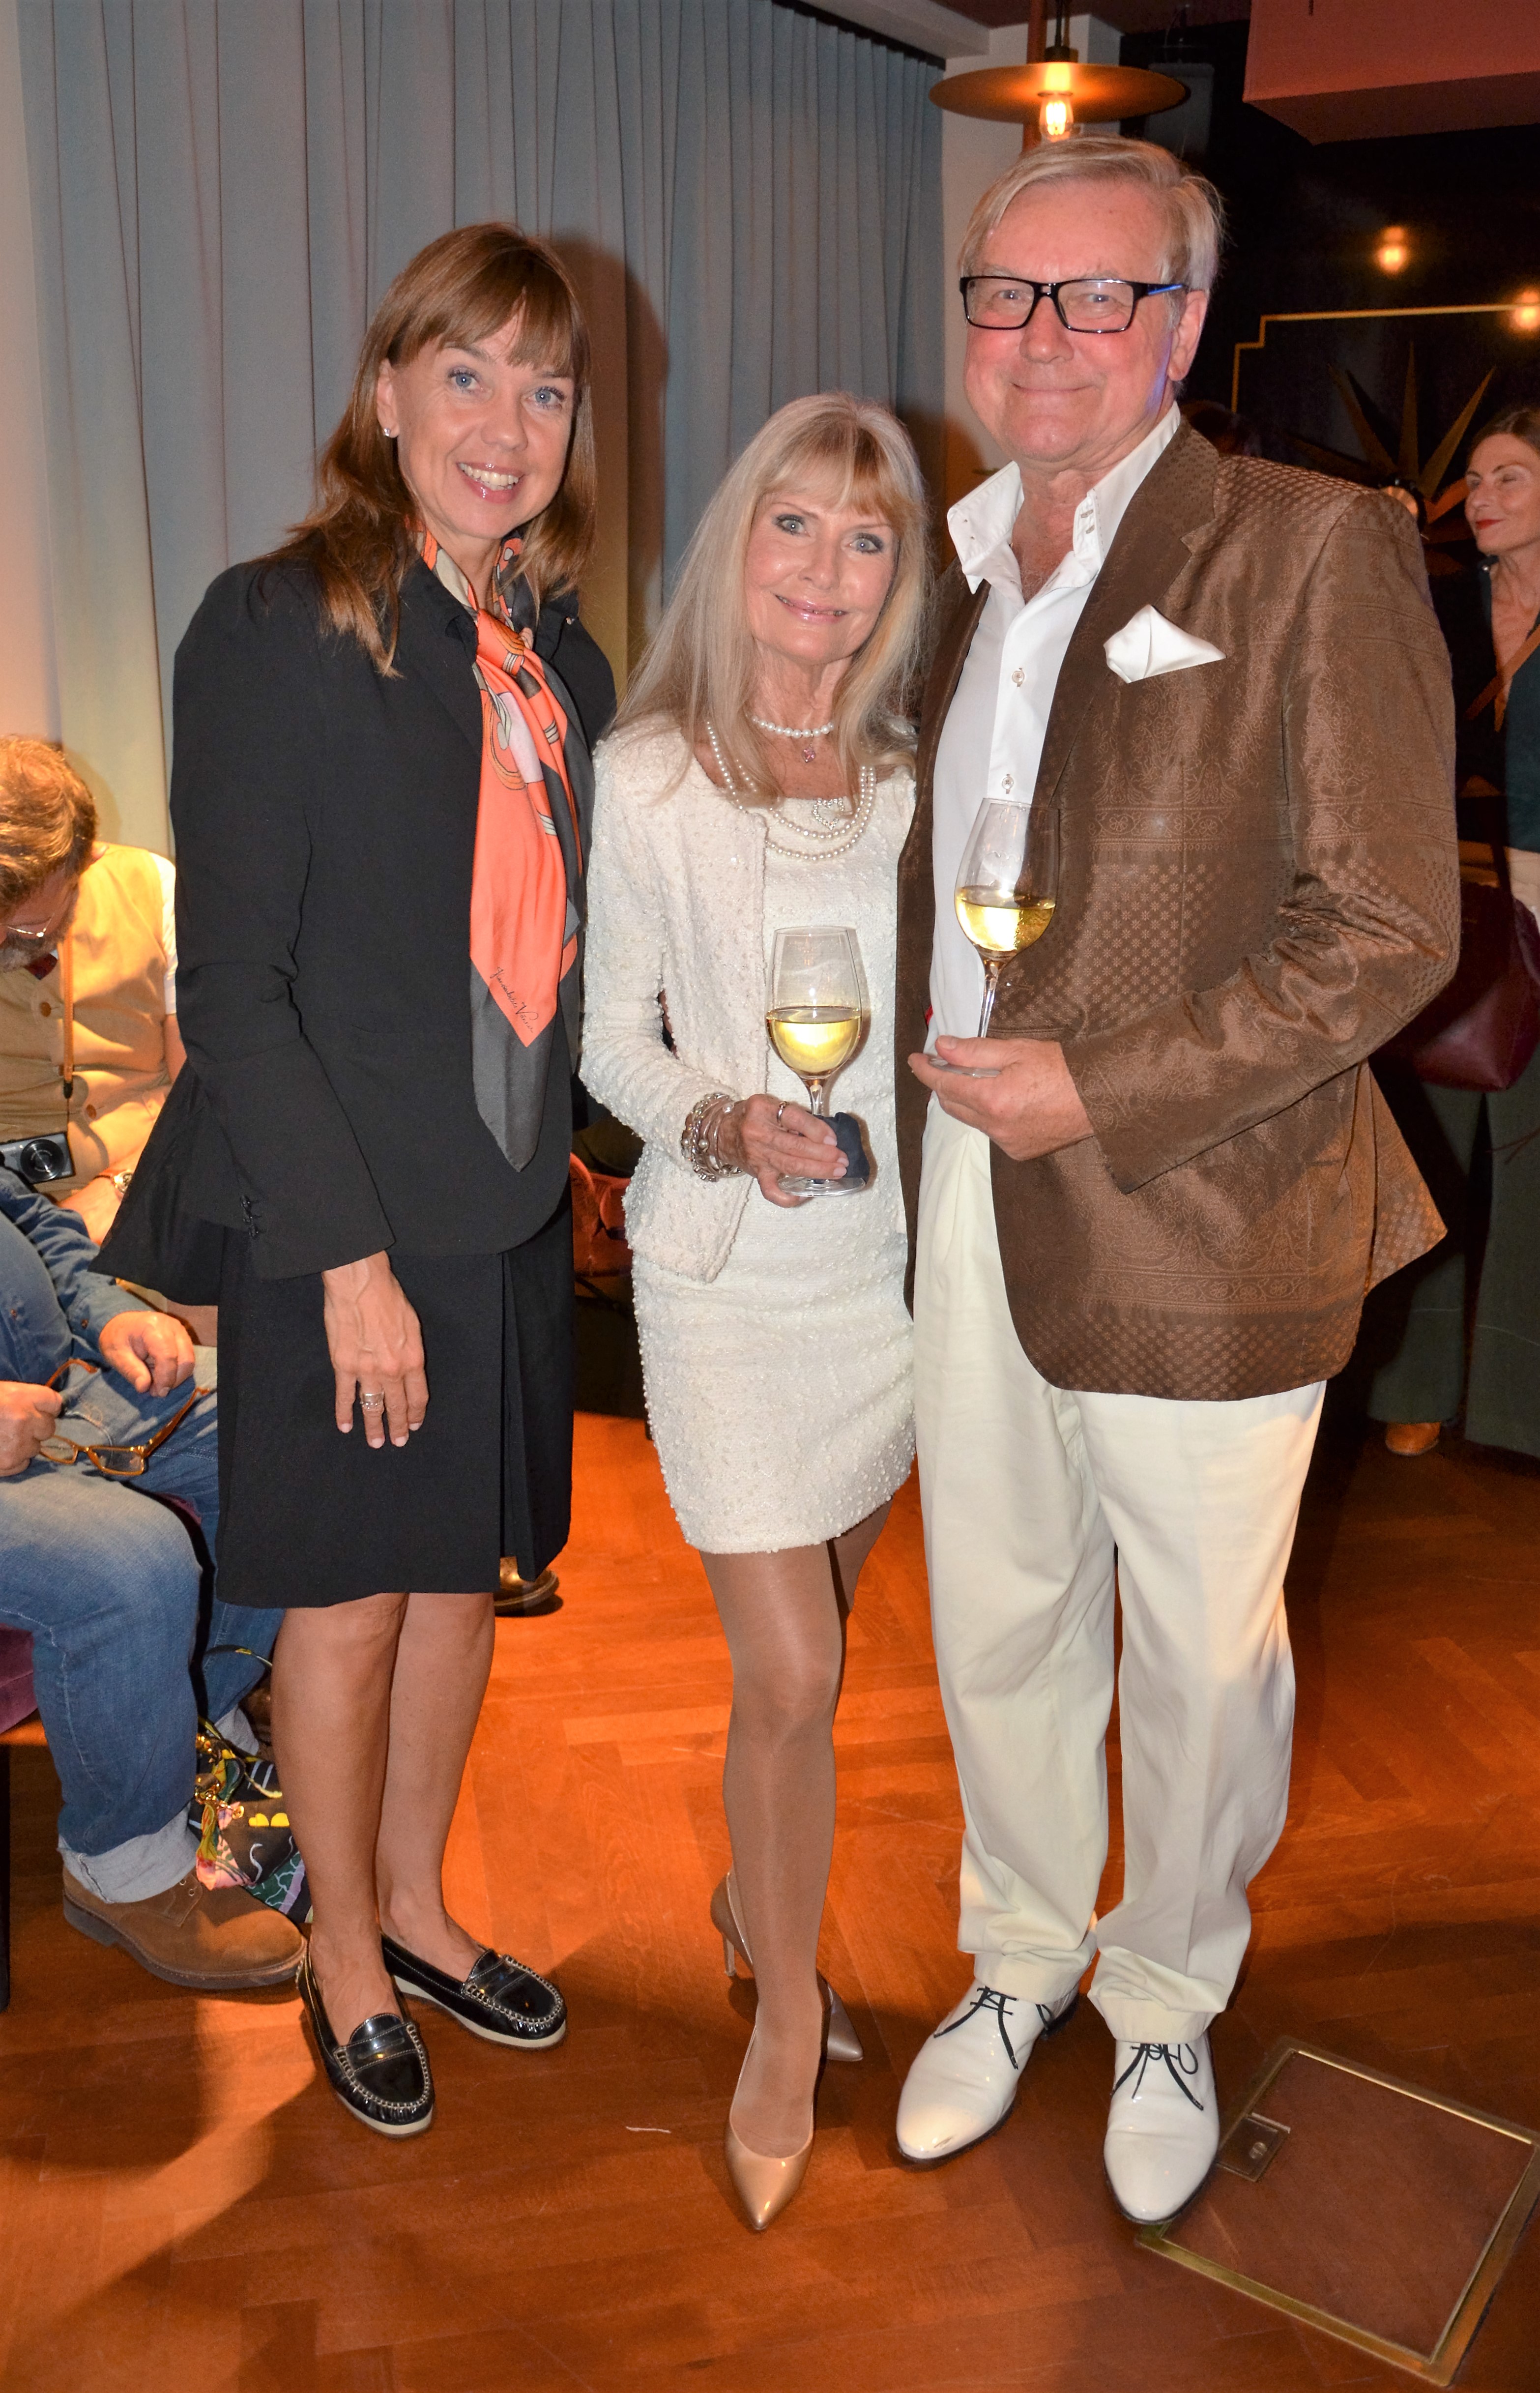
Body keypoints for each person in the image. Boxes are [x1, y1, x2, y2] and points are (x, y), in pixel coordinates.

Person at [891, 135, 1457, 2223]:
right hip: (959, 1184)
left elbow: (1388, 927)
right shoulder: (935, 565)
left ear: (1184, 322)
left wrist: (1099, 1086)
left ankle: (1162, 1993)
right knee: (995, 1604)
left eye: (1096, 293)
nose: (1039, 335)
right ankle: (1019, 1949)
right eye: (1003, 292)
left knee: (1201, 1662)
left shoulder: (1307, 546)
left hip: (1206, 1195)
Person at [102, 223, 615, 2138]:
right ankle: (338, 1950)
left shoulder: (559, 658)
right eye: (464, 373)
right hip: (337, 1214)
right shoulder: (281, 621)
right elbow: (232, 984)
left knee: (461, 1579)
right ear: (387, 391)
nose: (505, 423)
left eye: (543, 387)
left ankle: (413, 1902)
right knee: (348, 1605)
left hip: (498, 1203)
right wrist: (346, 1258)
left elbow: (574, 951)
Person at [582, 392, 930, 2229]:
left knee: (826, 1634)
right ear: (737, 544)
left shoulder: (914, 780)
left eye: (866, 536)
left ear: (899, 576)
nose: (825, 566)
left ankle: (752, 1895)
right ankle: (785, 2009)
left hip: (887, 1281)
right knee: (791, 1670)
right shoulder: (647, 774)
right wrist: (720, 1119)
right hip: (723, 1277)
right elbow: (608, 1039)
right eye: (794, 522)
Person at [0, 1167, 296, 1988]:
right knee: (132, 1562)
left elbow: (30, 1217)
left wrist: (109, 1313)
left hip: (56, 1395)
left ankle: (194, 1736)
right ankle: (121, 1866)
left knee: (281, 1420)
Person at [1369, 403, 1540, 1460]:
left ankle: (1519, 1405)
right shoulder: (1438, 601)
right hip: (1452, 903)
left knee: (1531, 1160)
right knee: (1430, 1151)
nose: (1481, 498)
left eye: (1508, 477)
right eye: (1473, 480)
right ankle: (1412, 1389)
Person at [0, 738, 182, 1246]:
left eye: (26, 928)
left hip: (158, 1200)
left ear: (85, 865)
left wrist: (118, 1188)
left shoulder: (154, 889)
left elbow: (207, 1092)